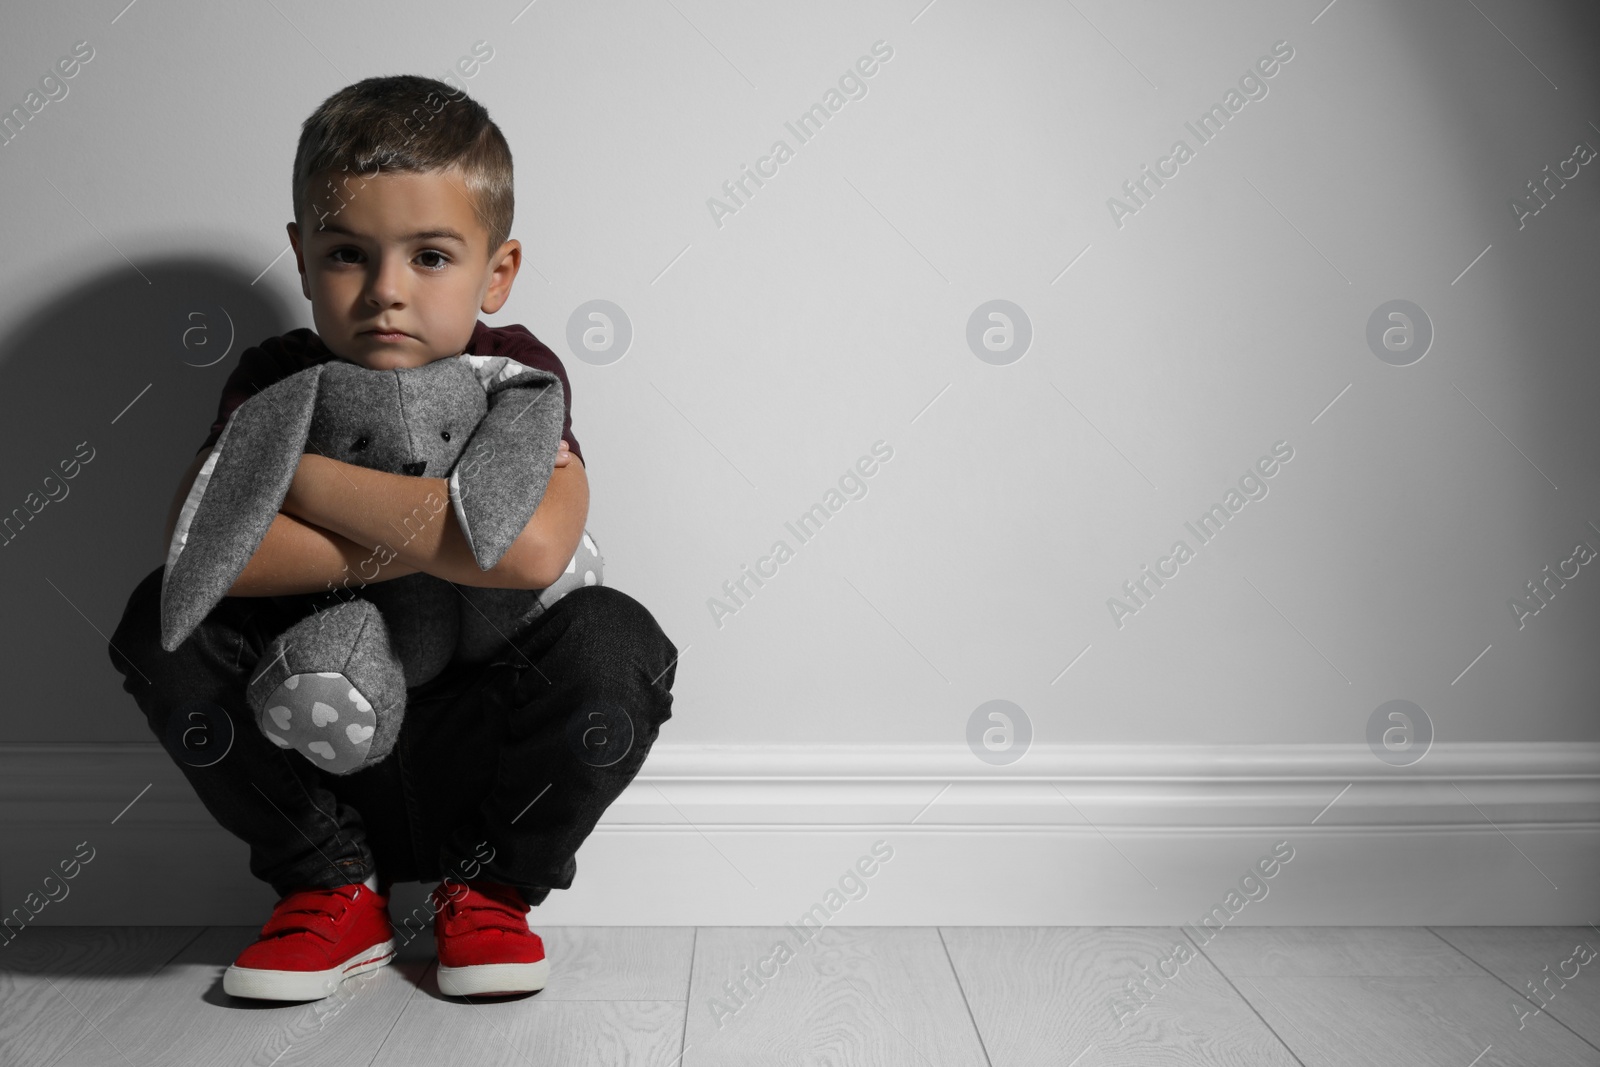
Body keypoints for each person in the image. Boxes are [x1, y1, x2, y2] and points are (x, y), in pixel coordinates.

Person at [107, 74, 680, 1003]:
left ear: (496, 271)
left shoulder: (516, 371)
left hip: (484, 743)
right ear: (299, 258)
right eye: (346, 254)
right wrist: (445, 527)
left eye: (429, 257)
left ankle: (489, 890)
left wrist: (291, 477)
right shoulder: (276, 376)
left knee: (618, 639)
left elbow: (529, 551)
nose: (384, 292)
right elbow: (205, 555)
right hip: (312, 735)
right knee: (155, 622)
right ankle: (331, 887)